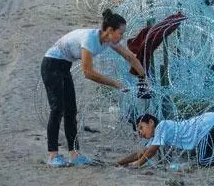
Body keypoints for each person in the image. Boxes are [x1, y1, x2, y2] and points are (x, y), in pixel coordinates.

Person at [41, 9, 146, 167]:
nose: (122, 37)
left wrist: (144, 78)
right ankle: (52, 155)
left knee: (71, 110)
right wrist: (116, 84)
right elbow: (88, 73)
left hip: (63, 67)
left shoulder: (109, 40)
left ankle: (74, 154)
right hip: (51, 65)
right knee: (57, 109)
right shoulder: (90, 39)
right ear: (110, 30)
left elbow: (130, 57)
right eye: (121, 32)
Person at [116, 112, 214, 168]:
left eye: (141, 128)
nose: (141, 133)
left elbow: (151, 151)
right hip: (207, 124)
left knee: (203, 160)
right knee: (206, 156)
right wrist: (121, 161)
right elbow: (143, 152)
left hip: (206, 125)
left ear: (151, 122)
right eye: (138, 132)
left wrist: (138, 164)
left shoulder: (162, 126)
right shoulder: (156, 136)